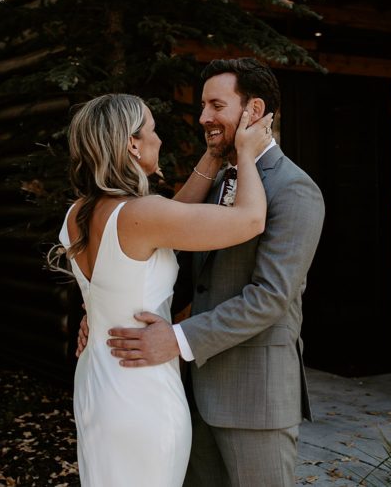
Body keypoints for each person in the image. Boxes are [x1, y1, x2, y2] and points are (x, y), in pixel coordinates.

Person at [105, 59, 326, 487]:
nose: (203, 117)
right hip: (192, 392)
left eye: (215, 105)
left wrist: (177, 338)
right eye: (202, 105)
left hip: (253, 398)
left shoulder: (294, 189)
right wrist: (105, 315)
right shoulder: (223, 176)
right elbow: (175, 265)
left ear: (253, 109)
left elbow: (270, 297)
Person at [58, 92, 275, 487]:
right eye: (153, 130)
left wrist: (212, 156)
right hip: (141, 392)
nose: (160, 140)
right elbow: (250, 220)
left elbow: (167, 220)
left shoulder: (79, 211)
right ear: (132, 144)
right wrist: (245, 151)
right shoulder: (141, 214)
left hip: (96, 383)